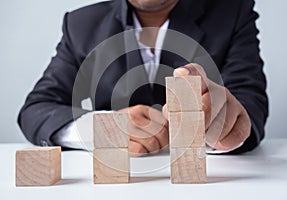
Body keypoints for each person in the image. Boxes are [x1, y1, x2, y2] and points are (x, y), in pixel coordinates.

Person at [18, 0, 268, 155]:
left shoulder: (233, 10)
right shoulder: (82, 24)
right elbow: (37, 109)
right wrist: (100, 129)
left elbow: (249, 100)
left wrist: (223, 125)